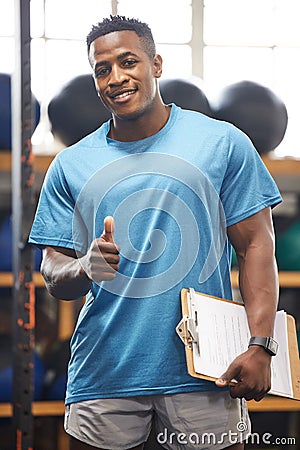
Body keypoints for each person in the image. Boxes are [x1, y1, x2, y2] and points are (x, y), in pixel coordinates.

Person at [29, 15, 282, 450]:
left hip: (204, 369)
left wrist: (261, 345)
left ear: (156, 64)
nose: (116, 77)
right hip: (105, 370)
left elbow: (256, 245)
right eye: (102, 69)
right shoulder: (70, 165)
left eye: (128, 62)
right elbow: (53, 272)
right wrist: (84, 267)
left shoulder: (222, 143)